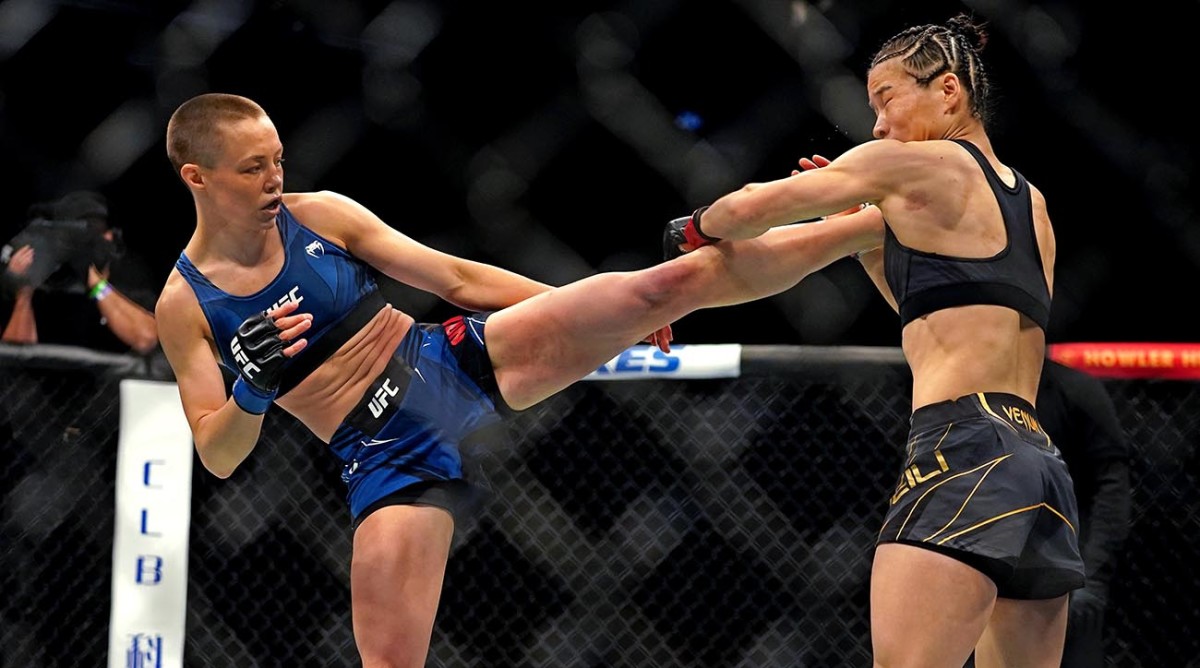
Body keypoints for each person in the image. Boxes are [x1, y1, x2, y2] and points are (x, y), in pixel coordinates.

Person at [154, 92, 882, 668]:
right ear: (198, 178)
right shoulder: (186, 305)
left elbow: (456, 277)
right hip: (380, 450)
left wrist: (585, 314)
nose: (275, 178)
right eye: (253, 167)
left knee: (658, 288)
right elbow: (219, 453)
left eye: (278, 158)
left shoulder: (322, 216)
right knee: (388, 658)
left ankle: (857, 225)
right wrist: (250, 386)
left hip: (448, 361)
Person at [668, 13, 1082, 668]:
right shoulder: (1029, 203)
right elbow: (944, 315)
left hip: (962, 446)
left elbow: (750, 209)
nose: (879, 127)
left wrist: (692, 227)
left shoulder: (911, 164)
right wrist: (867, 246)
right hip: (1038, 463)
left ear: (948, 91)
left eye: (887, 101)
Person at [1, 191, 159, 354]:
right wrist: (24, 294)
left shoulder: (129, 288)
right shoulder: (42, 290)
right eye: (77, 236)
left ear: (111, 236)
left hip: (106, 379)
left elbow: (146, 338)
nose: (88, 243)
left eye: (96, 233)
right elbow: (17, 360)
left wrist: (97, 285)